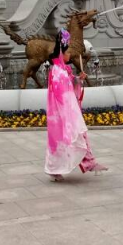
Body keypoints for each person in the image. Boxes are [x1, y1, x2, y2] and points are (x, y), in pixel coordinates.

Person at [45, 29, 107, 181]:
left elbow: (70, 84)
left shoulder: (63, 69)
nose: (70, 55)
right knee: (63, 139)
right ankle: (55, 169)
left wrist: (78, 79)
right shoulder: (57, 71)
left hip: (68, 110)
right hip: (62, 113)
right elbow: (60, 93)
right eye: (67, 53)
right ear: (61, 53)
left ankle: (90, 163)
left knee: (78, 135)